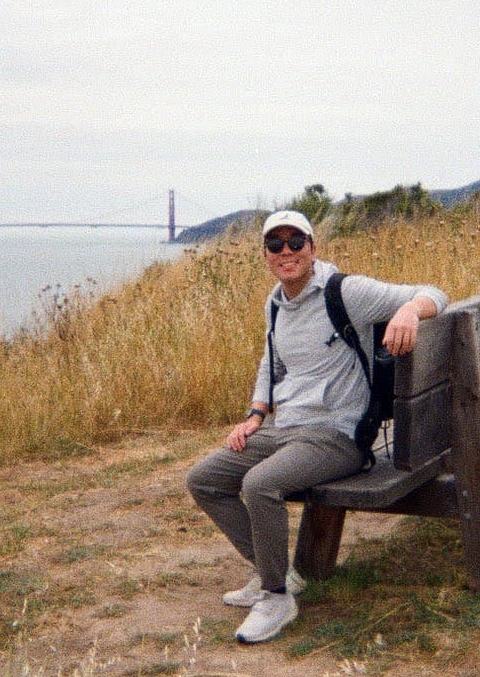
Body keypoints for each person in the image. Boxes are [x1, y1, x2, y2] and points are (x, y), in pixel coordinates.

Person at [186, 210, 448, 644]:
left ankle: (276, 597)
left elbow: (435, 293)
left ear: (312, 247)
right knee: (205, 479)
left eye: (295, 242)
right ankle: (279, 573)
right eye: (275, 244)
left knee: (259, 484)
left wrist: (408, 311)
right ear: (266, 255)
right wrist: (255, 415)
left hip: (338, 436)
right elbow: (271, 361)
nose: (286, 252)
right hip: (286, 427)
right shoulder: (275, 302)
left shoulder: (345, 292)